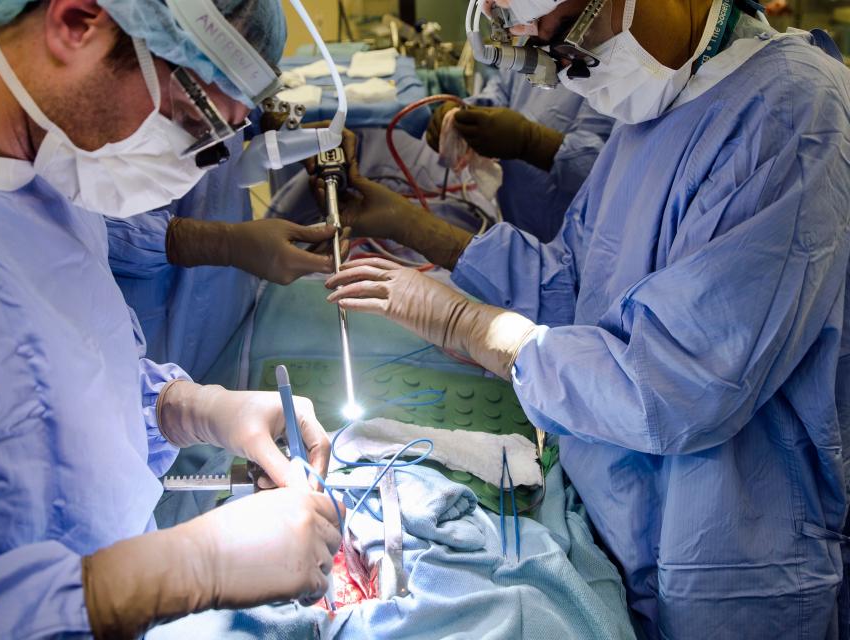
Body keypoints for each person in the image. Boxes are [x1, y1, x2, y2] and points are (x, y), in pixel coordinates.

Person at [321, 0, 850, 637]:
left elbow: (679, 383)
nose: (572, 72)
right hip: (619, 523)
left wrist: (472, 327)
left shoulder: (793, 114)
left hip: (731, 562)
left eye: (569, 37)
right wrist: (417, 231)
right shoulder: (664, 101)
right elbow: (580, 281)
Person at [0, 0, 344, 638]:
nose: (190, 165)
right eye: (194, 119)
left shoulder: (48, 161)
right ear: (78, 21)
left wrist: (188, 407)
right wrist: (186, 567)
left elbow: (56, 383)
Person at [426, 72, 614, 241]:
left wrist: (537, 143)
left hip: (579, 237)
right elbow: (501, 89)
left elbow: (609, 175)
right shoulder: (528, 42)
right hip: (520, 221)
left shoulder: (610, 68)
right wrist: (466, 115)